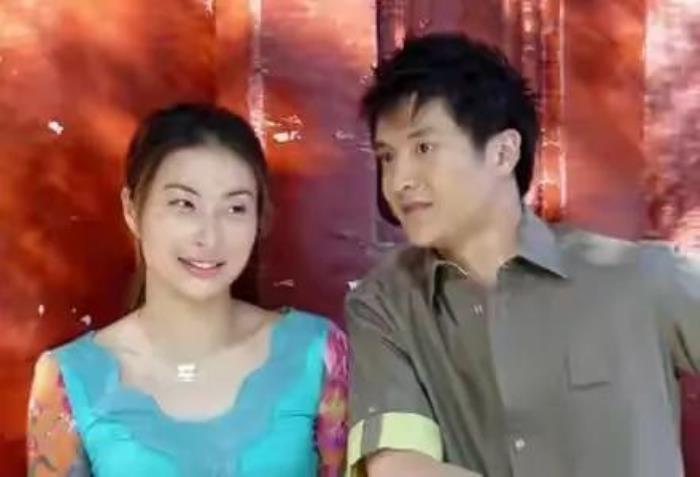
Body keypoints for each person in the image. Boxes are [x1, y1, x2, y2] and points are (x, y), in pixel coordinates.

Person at [345, 32, 700, 477]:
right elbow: (399, 467)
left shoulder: (640, 281)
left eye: (423, 148)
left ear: (504, 152)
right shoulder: (386, 304)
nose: (400, 180)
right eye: (387, 156)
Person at [27, 103, 347, 477]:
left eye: (235, 208)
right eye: (184, 204)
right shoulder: (69, 378)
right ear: (132, 209)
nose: (209, 237)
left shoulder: (317, 353)